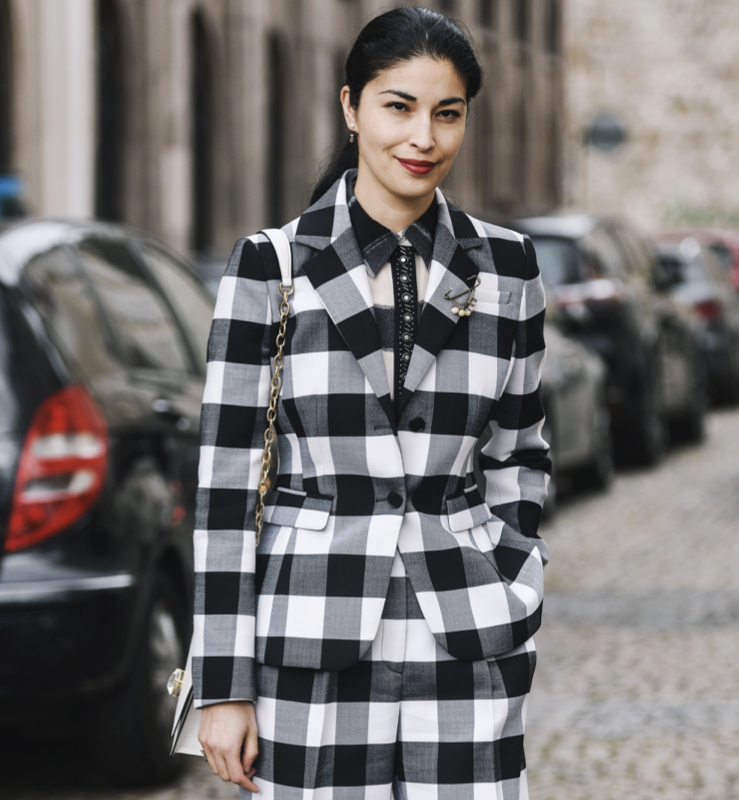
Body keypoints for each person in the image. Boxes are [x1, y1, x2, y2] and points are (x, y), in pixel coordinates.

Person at [193, 7, 551, 798]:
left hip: (466, 631)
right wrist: (224, 683)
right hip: (310, 637)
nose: (423, 137)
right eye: (399, 106)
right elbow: (225, 489)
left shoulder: (509, 269)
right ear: (350, 106)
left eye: (447, 113)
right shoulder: (271, 266)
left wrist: (515, 580)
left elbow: (520, 454)